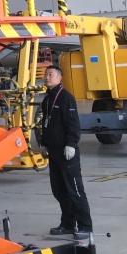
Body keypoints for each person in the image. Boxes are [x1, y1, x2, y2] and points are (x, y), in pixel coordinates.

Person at [40, 65, 93, 240]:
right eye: (46, 74)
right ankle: (68, 224)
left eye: (51, 74)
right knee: (59, 190)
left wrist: (71, 143)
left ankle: (85, 226)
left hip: (66, 152)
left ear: (59, 78)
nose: (47, 77)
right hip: (53, 152)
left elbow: (73, 124)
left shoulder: (66, 98)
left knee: (74, 190)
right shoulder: (47, 100)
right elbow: (45, 124)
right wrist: (44, 143)